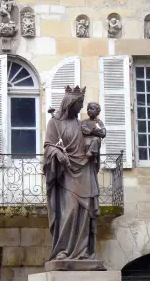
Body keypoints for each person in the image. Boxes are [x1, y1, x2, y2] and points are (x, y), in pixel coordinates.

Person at [43, 86, 100, 261]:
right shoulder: (54, 123)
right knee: (70, 210)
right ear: (70, 103)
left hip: (85, 171)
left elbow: (88, 139)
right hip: (67, 173)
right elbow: (48, 147)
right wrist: (58, 153)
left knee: (85, 213)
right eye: (79, 104)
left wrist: (94, 144)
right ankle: (64, 251)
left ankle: (83, 252)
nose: (82, 108)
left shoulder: (80, 124)